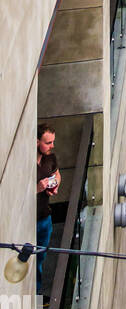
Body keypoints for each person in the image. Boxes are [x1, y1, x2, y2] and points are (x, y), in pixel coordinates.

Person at [36, 125, 60, 299]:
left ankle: (36, 292)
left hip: (45, 217)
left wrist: (55, 185)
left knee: (40, 257)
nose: (51, 146)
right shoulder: (24, 163)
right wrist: (37, 188)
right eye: (48, 142)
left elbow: (57, 174)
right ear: (37, 142)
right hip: (29, 219)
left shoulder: (50, 158)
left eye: (52, 142)